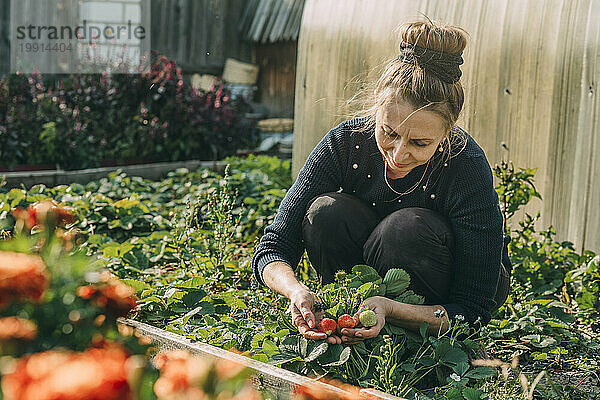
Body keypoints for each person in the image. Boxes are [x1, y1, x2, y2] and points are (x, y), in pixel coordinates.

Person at [251, 20, 512, 345]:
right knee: (325, 212)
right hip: (374, 265)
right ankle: (347, 322)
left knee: (402, 229)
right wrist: (295, 290)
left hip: (444, 291)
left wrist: (393, 308)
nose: (399, 154)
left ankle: (409, 341)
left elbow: (472, 310)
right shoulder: (344, 144)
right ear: (376, 105)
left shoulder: (466, 166)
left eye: (419, 143)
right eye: (389, 132)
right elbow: (274, 247)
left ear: (446, 134)